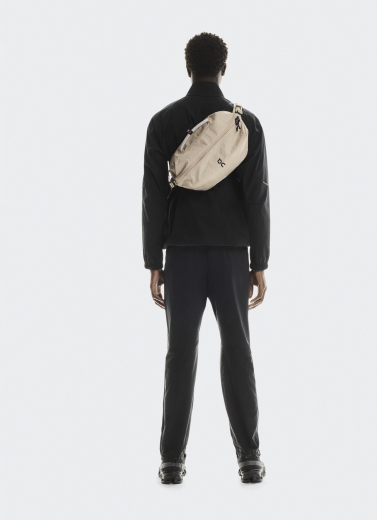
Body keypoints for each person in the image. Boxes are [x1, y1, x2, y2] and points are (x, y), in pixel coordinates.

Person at [142, 32, 270, 484]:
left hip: (181, 254)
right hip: (233, 254)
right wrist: (259, 262)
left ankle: (171, 461)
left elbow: (153, 196)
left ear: (188, 68)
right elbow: (257, 197)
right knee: (238, 350)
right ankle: (249, 458)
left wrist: (153, 261)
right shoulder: (245, 123)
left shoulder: (162, 122)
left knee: (180, 352)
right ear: (223, 68)